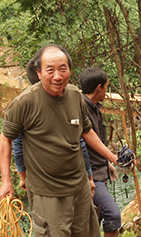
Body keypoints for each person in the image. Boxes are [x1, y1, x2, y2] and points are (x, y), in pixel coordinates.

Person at [0, 45, 119, 237]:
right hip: (45, 188)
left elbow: (87, 133)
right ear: (39, 72)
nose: (57, 75)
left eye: (62, 68)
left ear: (69, 70)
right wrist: (8, 180)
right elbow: (6, 139)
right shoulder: (25, 102)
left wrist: (112, 157)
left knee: (81, 233)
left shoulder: (75, 96)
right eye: (50, 69)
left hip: (77, 183)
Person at [13, 60, 95, 196]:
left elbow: (18, 148)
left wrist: (23, 176)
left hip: (44, 185)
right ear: (39, 74)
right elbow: (80, 142)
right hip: (73, 181)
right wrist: (89, 176)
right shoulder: (66, 101)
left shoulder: (25, 105)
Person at [79, 67, 122, 237]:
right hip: (90, 175)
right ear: (98, 88)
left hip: (99, 169)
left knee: (94, 215)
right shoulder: (81, 111)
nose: (106, 91)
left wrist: (108, 163)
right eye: (106, 87)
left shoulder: (95, 108)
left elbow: (98, 144)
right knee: (112, 214)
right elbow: (83, 144)